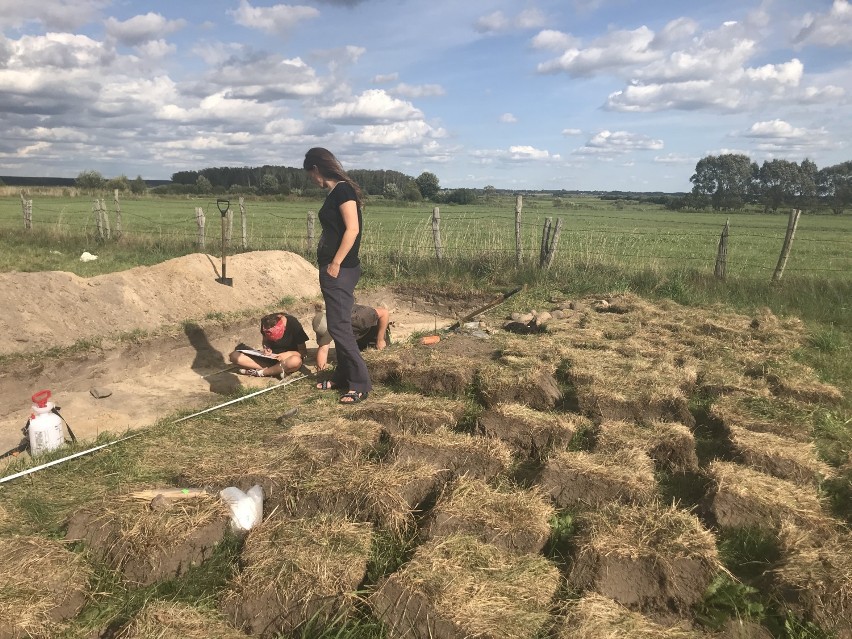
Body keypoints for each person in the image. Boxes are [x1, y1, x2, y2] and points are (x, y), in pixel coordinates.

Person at [303, 147, 372, 404]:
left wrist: (335, 263)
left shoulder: (342, 190)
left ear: (316, 169)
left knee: (339, 327)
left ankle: (360, 382)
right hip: (335, 268)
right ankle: (343, 375)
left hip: (340, 269)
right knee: (338, 323)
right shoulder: (337, 191)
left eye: (310, 174)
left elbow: (352, 229)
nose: (311, 180)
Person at [312, 302, 390, 371]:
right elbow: (323, 350)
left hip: (374, 333)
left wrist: (380, 340)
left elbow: (384, 313)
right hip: (355, 337)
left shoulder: (359, 316)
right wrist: (321, 373)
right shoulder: (321, 324)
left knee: (372, 364)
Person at [228, 312, 309, 378]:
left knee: (295, 361)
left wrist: (288, 354)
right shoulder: (266, 323)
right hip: (271, 359)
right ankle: (276, 371)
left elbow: (303, 352)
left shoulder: (293, 323)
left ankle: (261, 372)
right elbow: (265, 342)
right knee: (234, 356)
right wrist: (267, 348)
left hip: (287, 360)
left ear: (283, 328)